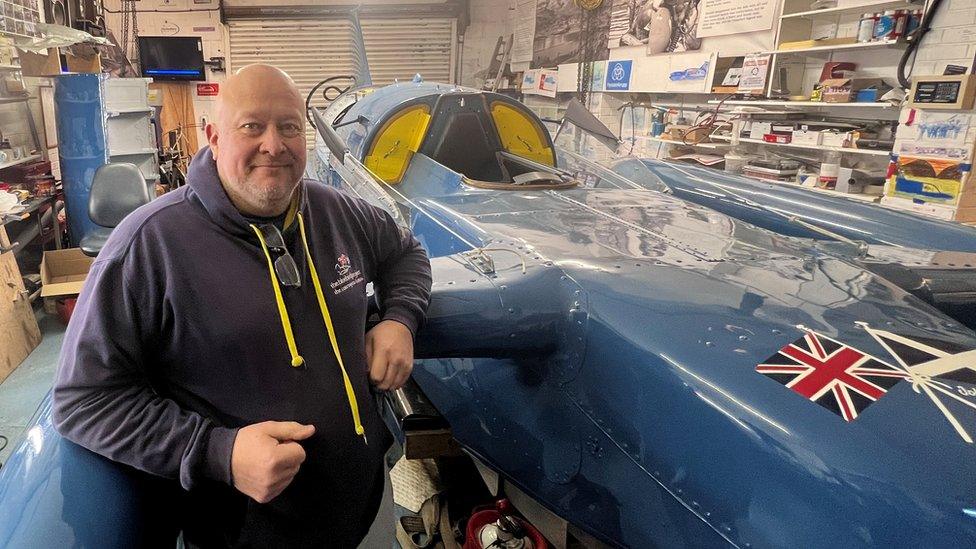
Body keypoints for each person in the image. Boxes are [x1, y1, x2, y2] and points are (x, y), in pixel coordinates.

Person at [52, 65, 432, 547]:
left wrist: (400, 319)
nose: (273, 145)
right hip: (242, 533)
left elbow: (406, 254)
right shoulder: (149, 247)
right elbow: (84, 400)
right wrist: (218, 452)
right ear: (213, 136)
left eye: (289, 126)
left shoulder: (338, 212)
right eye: (252, 126)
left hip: (358, 517)